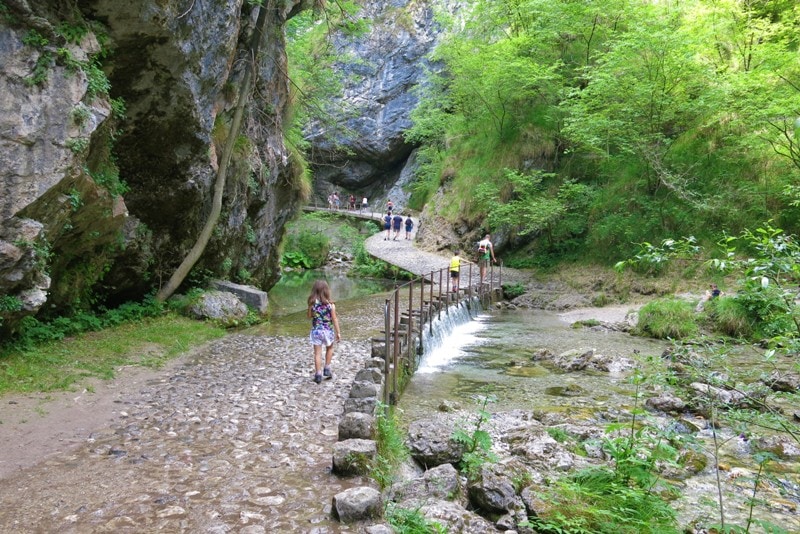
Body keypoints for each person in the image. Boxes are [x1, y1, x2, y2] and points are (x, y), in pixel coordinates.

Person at [307, 280, 341, 384]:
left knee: (317, 353)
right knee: (330, 348)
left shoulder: (313, 304)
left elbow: (309, 316)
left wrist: (313, 312)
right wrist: (338, 332)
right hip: (327, 331)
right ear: (327, 291)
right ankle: (327, 368)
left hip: (316, 331)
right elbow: (334, 319)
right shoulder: (331, 305)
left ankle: (318, 374)